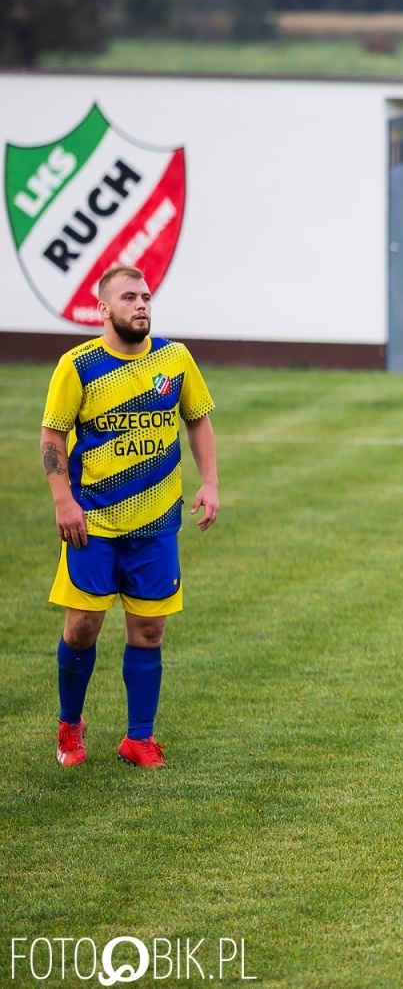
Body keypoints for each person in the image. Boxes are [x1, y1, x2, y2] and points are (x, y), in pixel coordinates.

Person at [42, 264, 219, 770]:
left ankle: (138, 739)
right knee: (82, 627)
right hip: (92, 524)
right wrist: (62, 500)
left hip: (156, 526)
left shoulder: (175, 359)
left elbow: (198, 420)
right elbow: (52, 437)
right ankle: (70, 726)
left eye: (145, 297)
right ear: (103, 309)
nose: (141, 304)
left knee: (149, 632)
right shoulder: (78, 366)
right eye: (128, 298)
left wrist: (209, 484)